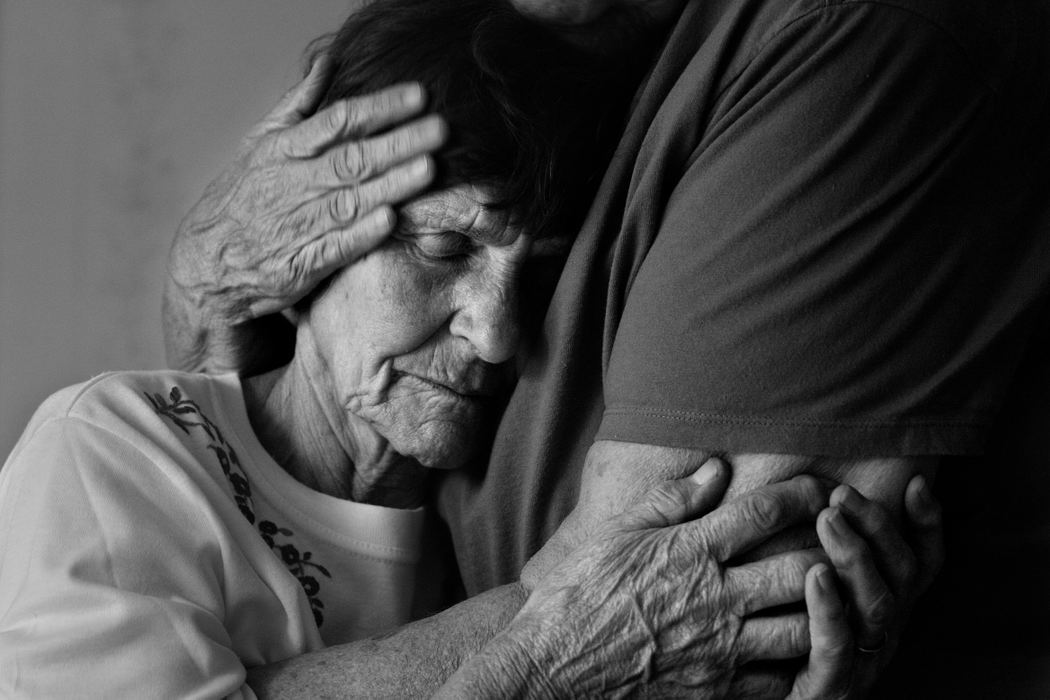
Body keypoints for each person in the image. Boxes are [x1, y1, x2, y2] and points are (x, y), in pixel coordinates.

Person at [0, 1, 941, 697]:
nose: (494, 333)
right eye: (441, 250)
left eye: (535, 281)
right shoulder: (114, 453)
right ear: (306, 238)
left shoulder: (505, 501)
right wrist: (538, 664)